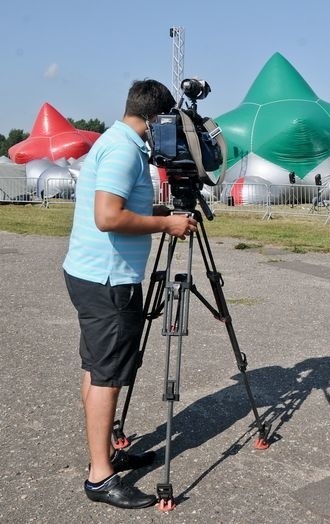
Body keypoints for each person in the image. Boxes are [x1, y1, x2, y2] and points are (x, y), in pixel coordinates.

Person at [63, 79, 197, 509]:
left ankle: (103, 455)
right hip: (108, 281)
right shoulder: (123, 150)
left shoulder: (114, 140)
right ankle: (100, 477)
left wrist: (156, 211)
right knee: (107, 375)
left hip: (92, 274)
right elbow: (107, 216)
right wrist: (167, 225)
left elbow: (119, 206)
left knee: (96, 367)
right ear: (157, 120)